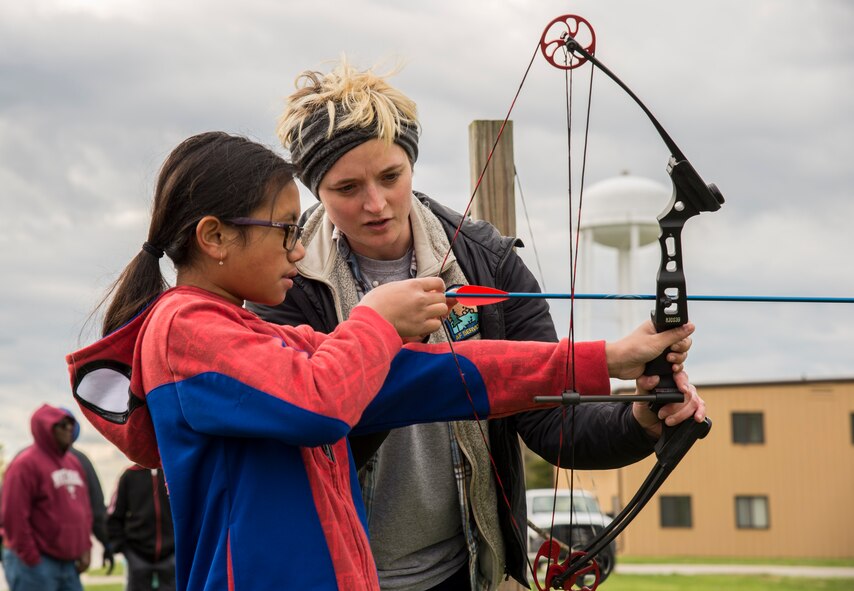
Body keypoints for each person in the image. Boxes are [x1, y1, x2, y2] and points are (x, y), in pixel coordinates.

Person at [65, 131, 696, 591]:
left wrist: (609, 359)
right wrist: (376, 319)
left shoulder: (254, 337)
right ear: (214, 237)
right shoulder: (185, 330)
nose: (296, 245)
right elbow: (316, 400)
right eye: (285, 228)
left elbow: (437, 380)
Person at [247, 58, 707, 590]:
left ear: (411, 165)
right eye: (347, 188)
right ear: (316, 190)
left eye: (390, 176)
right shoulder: (283, 282)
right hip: (331, 570)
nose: (375, 203)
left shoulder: (487, 260)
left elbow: (549, 415)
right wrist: (387, 337)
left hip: (462, 568)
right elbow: (302, 443)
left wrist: (643, 420)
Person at [1, 405, 92, 591]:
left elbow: (85, 509)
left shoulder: (73, 463)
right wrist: (31, 558)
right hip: (36, 564)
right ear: (46, 428)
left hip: (68, 564)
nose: (69, 429)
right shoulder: (24, 465)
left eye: (71, 424)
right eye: (63, 424)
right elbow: (13, 516)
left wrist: (85, 547)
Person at [62, 408, 115, 575]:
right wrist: (106, 543)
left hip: (43, 554)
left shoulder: (25, 458)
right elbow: (97, 508)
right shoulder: (80, 460)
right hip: (62, 552)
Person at [107, 465, 175, 591]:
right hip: (137, 557)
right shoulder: (129, 475)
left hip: (171, 557)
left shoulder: (173, 472)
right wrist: (124, 549)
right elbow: (114, 516)